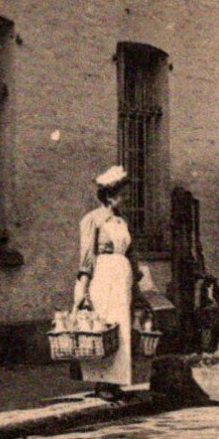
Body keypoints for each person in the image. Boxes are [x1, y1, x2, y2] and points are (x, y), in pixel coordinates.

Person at [73, 166, 147, 399]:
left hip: (122, 278)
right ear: (109, 196)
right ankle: (102, 382)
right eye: (122, 194)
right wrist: (83, 288)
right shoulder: (92, 220)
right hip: (103, 277)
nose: (125, 199)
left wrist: (137, 286)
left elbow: (131, 255)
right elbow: (87, 257)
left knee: (122, 327)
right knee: (104, 326)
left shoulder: (122, 222)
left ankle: (116, 381)